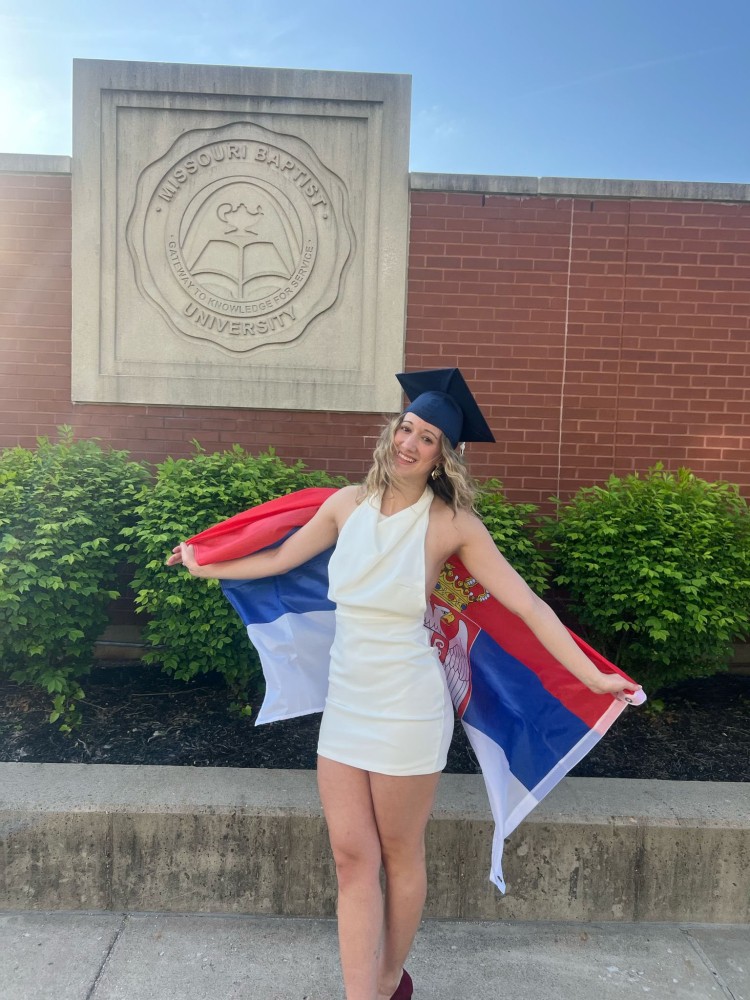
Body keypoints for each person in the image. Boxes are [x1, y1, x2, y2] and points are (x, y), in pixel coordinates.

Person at [167, 368, 641, 1000]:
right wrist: (203, 563)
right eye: (406, 428)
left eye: (427, 438)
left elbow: (527, 606)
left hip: (408, 707)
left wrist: (592, 675)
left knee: (399, 853)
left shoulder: (452, 524)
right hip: (346, 703)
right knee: (350, 857)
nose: (409, 444)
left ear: (443, 456)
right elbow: (280, 557)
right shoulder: (345, 505)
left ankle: (389, 978)